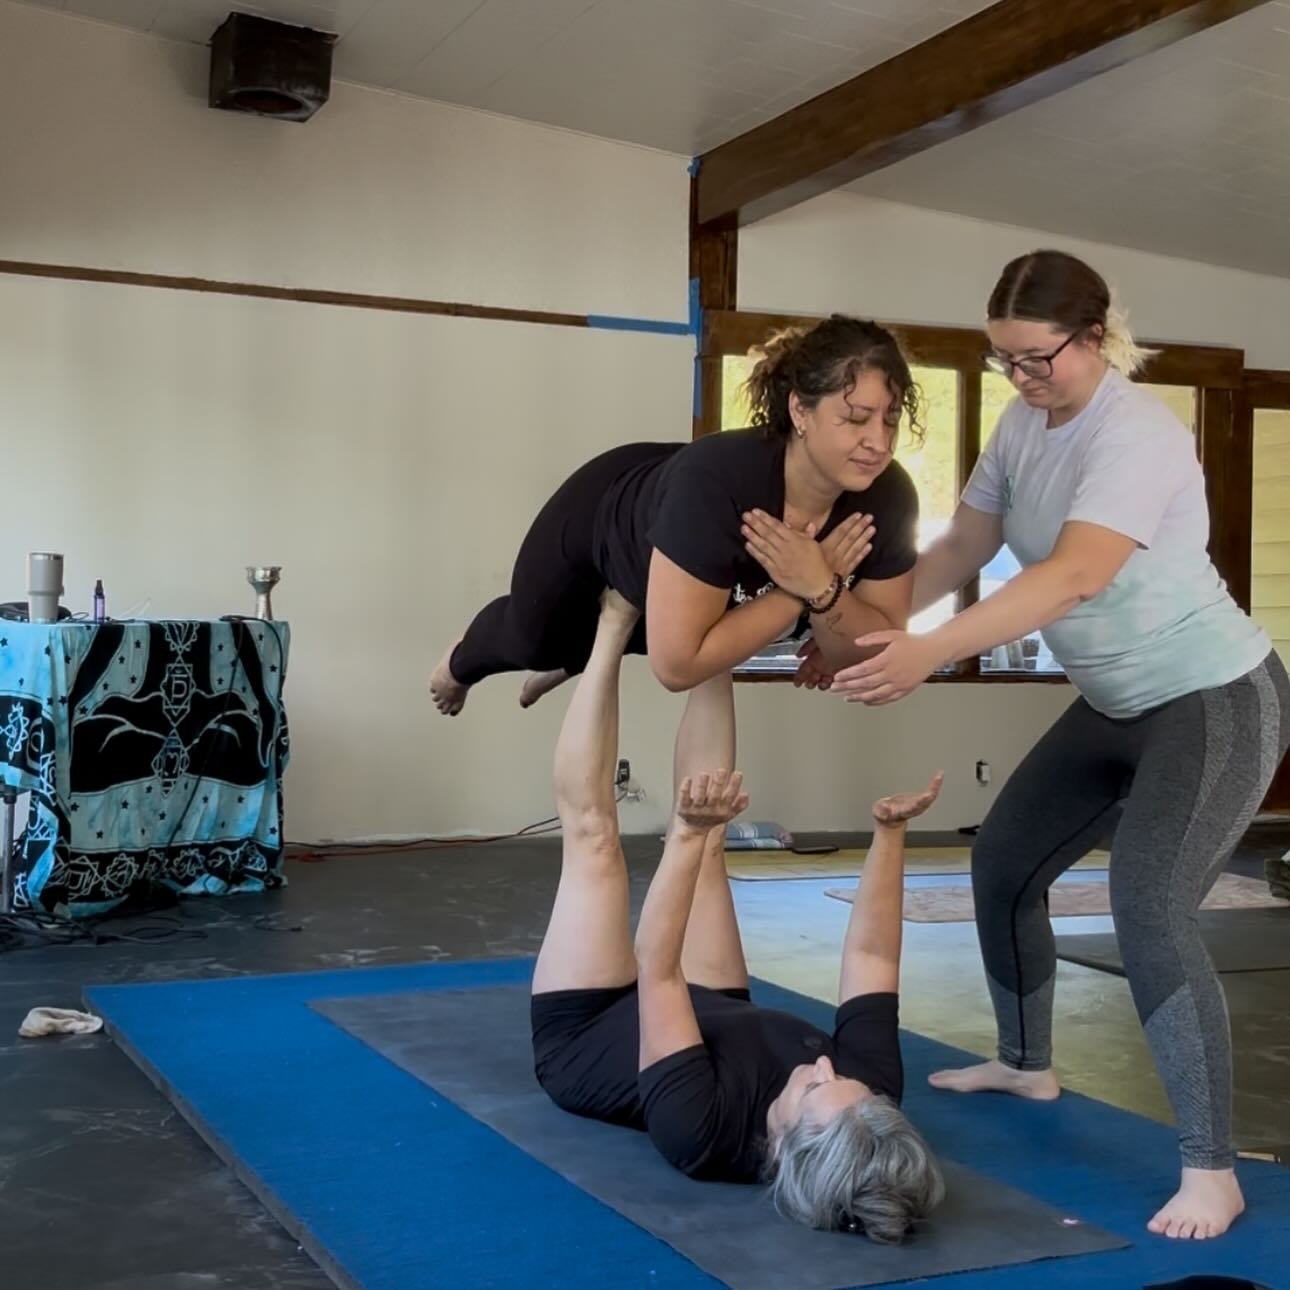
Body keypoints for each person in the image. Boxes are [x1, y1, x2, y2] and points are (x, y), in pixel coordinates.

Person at [812, 249, 1290, 1241]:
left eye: (1037, 359)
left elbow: (1074, 573)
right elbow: (961, 546)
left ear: (1095, 335)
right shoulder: (1023, 425)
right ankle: (1027, 1064)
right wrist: (872, 625)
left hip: (1213, 696)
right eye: (1004, 361)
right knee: (1003, 861)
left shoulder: (1138, 436)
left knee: (1148, 900)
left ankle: (1213, 1171)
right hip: (1115, 702)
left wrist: (932, 652)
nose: (1023, 380)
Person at [530, 590, 945, 1242]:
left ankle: (610, 623)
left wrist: (687, 836)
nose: (830, 1068)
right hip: (710, 1014)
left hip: (593, 1032)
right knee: (714, 842)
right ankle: (706, 633)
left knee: (594, 842)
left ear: (779, 1149)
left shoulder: (701, 1130)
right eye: (850, 1086)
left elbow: (657, 970)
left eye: (814, 1092)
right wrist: (888, 837)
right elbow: (871, 959)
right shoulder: (869, 1093)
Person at [429, 315, 921, 715]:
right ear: (800, 411)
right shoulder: (716, 483)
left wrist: (822, 589)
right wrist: (807, 591)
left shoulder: (889, 496)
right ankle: (463, 660)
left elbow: (873, 653)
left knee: (670, 625)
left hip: (698, 580)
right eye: (856, 418)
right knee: (533, 638)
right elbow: (678, 668)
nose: (878, 442)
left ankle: (575, 657)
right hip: (605, 515)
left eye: (891, 419)